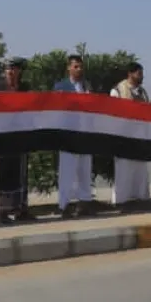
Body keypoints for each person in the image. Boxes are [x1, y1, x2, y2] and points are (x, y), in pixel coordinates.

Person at [52, 54, 95, 218]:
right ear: (69, 68)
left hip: (85, 133)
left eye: (81, 67)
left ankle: (84, 203)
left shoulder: (87, 86)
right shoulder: (60, 86)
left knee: (85, 169)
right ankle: (64, 205)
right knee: (67, 171)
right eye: (75, 66)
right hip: (68, 134)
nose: (79, 69)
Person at [0, 58, 33, 223]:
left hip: (21, 136)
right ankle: (3, 210)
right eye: (8, 69)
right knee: (5, 172)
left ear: (19, 72)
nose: (11, 72)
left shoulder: (25, 88)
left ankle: (21, 209)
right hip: (4, 136)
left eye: (14, 69)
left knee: (22, 173)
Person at [109, 62, 150, 210]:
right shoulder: (117, 90)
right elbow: (113, 113)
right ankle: (121, 201)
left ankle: (139, 198)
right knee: (124, 169)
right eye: (139, 73)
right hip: (123, 136)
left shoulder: (143, 92)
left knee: (139, 169)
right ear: (130, 74)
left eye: (141, 73)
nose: (142, 76)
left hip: (139, 136)